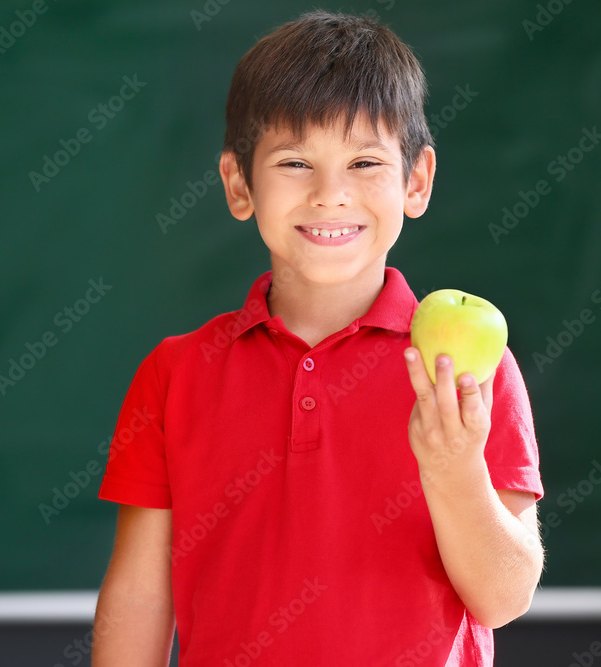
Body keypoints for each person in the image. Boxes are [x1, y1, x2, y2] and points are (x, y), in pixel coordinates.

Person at [93, 10, 544, 666]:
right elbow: (138, 593)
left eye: (364, 161)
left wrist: (453, 471)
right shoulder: (176, 372)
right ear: (238, 183)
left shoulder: (469, 372)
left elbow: (503, 597)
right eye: (296, 163)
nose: (331, 195)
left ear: (416, 180)